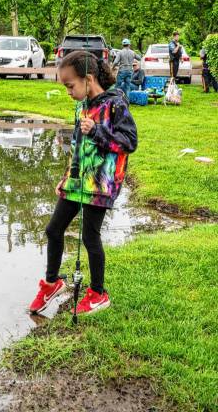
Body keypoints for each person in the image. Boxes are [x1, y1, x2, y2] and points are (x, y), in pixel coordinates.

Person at [29, 51, 137, 315]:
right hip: (78, 182)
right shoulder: (81, 106)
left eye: (70, 85)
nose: (68, 91)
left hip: (100, 184)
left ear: (88, 78)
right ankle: (52, 283)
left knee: (90, 237)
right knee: (54, 230)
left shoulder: (115, 103)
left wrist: (98, 131)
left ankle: (98, 293)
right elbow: (77, 148)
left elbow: (129, 142)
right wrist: (67, 178)